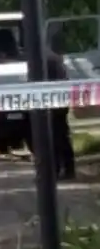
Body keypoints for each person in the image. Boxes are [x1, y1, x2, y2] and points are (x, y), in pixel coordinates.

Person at [45, 48, 76, 180]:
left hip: (53, 104)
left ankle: (58, 170)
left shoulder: (46, 60)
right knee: (61, 137)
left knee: (56, 139)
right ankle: (66, 169)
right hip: (59, 104)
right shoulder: (54, 58)